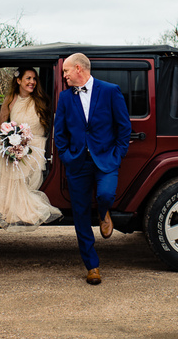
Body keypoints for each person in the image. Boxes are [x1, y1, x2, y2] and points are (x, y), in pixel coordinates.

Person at [54, 53, 132, 285]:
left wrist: (117, 155)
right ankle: (92, 265)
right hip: (77, 162)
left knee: (106, 194)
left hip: (106, 160)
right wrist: (67, 156)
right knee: (79, 214)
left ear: (79, 69)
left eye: (66, 71)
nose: (64, 75)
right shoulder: (65, 97)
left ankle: (103, 212)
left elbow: (124, 127)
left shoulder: (110, 90)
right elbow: (60, 133)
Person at [0, 67, 62, 231]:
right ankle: (4, 206)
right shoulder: (10, 99)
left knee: (21, 164)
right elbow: (1, 124)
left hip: (37, 146)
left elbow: (54, 124)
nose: (32, 82)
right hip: (16, 145)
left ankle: (18, 208)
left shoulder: (42, 100)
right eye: (28, 78)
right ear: (19, 80)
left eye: (34, 79)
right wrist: (6, 140)